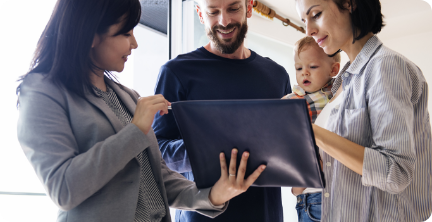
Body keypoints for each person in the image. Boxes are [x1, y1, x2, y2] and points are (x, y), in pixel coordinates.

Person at [16, 0, 266, 221]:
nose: (135, 43)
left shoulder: (126, 95)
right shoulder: (41, 91)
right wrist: (135, 130)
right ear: (90, 34)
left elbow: (159, 178)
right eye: (125, 33)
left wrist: (214, 195)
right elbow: (63, 189)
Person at [152, 0, 291, 221]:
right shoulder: (176, 72)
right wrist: (210, 149)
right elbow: (157, 152)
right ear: (200, 14)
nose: (223, 21)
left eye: (233, 9)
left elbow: (288, 147)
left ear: (249, 7)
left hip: (265, 214)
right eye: (213, 12)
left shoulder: (277, 75)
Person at [295, 0, 432, 221]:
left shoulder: (385, 66)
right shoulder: (342, 83)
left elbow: (395, 172)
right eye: (304, 21)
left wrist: (307, 129)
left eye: (316, 14)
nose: (309, 30)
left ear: (349, 4)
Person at [282, 36, 340, 222]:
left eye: (312, 67)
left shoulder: (338, 95)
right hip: (306, 193)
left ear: (333, 69)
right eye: (299, 68)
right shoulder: (290, 101)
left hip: (331, 189)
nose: (304, 73)